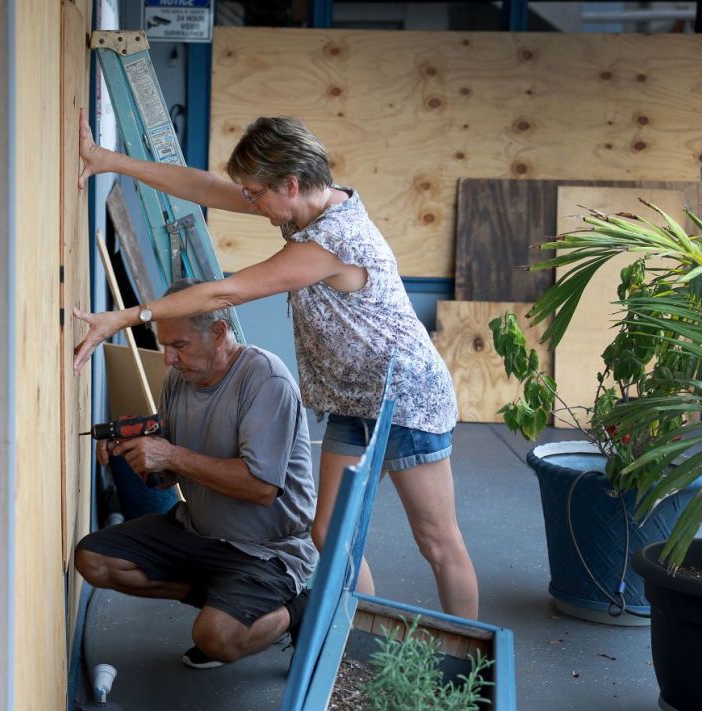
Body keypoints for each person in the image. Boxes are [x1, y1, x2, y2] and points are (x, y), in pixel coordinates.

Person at [73, 111, 479, 621]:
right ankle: (359, 644)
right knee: (329, 533)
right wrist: (110, 161)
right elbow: (203, 187)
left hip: (407, 397)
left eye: (256, 193)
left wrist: (125, 318)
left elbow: (228, 290)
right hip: (354, 401)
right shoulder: (304, 208)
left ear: (290, 183)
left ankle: (472, 672)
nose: (249, 202)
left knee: (436, 539)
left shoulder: (336, 240)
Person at [75, 280, 316, 669]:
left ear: (219, 333)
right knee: (94, 559)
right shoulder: (180, 379)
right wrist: (139, 458)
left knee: (215, 637)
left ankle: (298, 609)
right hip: (199, 532)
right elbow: (169, 475)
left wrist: (170, 453)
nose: (168, 358)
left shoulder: (264, 379)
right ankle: (225, 597)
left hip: (268, 550)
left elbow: (261, 487)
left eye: (179, 345)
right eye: (164, 344)